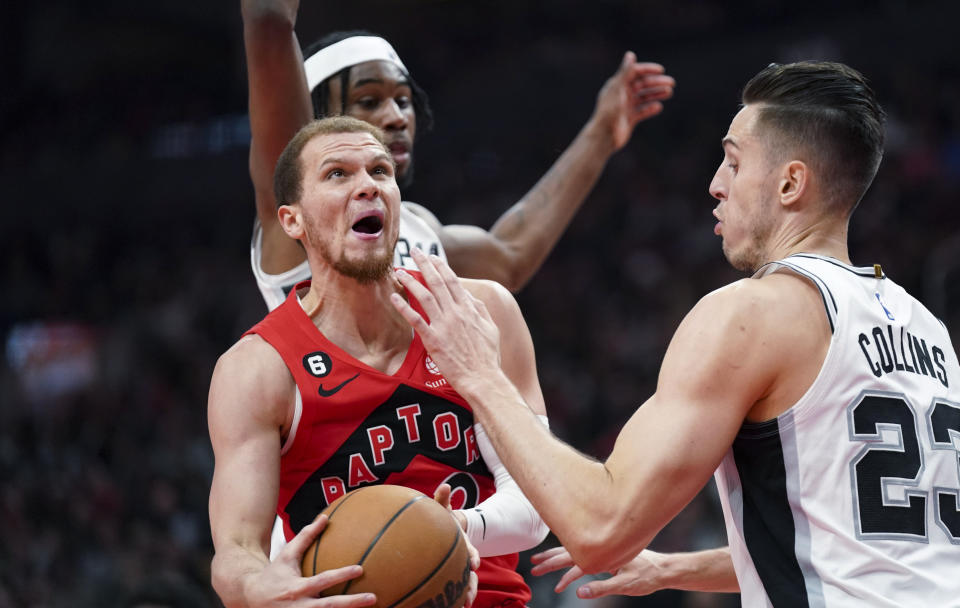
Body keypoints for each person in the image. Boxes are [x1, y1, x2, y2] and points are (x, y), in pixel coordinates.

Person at [391, 61, 960, 606]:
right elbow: (871, 547)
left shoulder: (754, 312)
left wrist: (481, 377)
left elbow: (599, 529)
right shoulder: (926, 329)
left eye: (734, 164)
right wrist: (673, 569)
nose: (715, 185)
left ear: (790, 184)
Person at [207, 116, 549, 607]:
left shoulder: (478, 311)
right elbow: (238, 550)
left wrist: (446, 532)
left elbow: (538, 504)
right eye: (338, 175)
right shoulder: (259, 368)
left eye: (380, 171)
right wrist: (255, 586)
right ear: (292, 219)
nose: (367, 186)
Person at [241, 0, 675, 309]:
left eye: (404, 100)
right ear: (315, 123)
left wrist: (601, 132)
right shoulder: (297, 222)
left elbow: (509, 255)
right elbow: (268, 24)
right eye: (369, 101)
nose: (395, 117)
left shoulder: (419, 226)